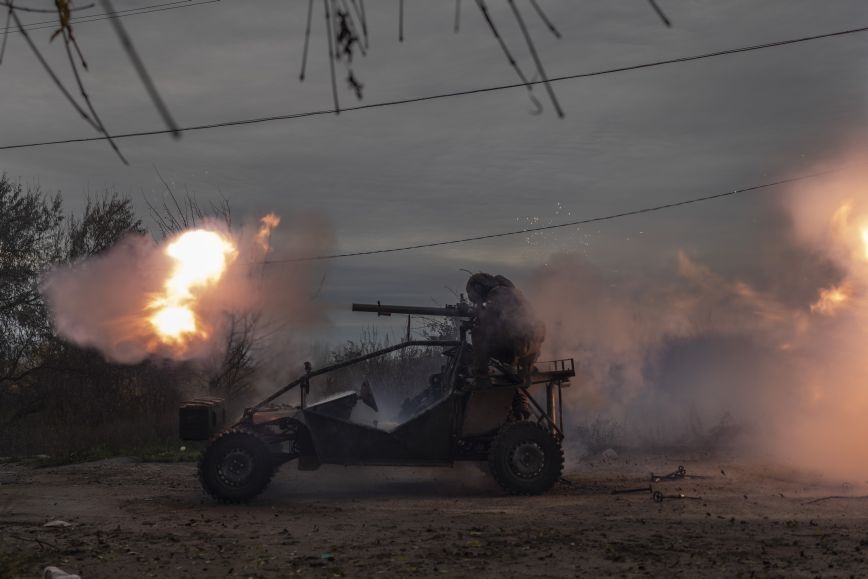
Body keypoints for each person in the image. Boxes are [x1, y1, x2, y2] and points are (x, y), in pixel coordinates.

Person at [466, 272, 545, 387]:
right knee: (523, 334)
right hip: (532, 348)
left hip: (517, 348)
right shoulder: (516, 293)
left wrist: (479, 314)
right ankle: (527, 371)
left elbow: (489, 325)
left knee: (477, 333)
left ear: (479, 288)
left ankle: (481, 377)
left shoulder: (495, 296)